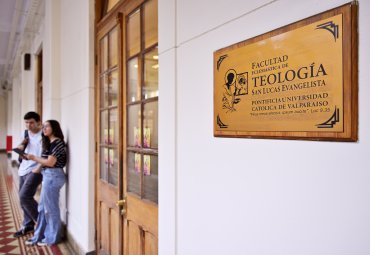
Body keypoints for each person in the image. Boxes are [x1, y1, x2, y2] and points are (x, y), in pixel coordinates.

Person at [24, 120, 67, 246]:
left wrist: (33, 157)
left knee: (51, 209)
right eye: (43, 127)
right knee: (42, 208)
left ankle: (52, 238)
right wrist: (36, 169)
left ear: (54, 127)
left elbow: (50, 162)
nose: (44, 128)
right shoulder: (49, 143)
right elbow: (44, 163)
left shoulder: (57, 142)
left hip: (54, 176)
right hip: (48, 175)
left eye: (46, 126)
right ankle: (39, 236)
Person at [13, 112, 43, 238]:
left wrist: (39, 167)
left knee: (24, 196)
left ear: (38, 122)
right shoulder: (25, 133)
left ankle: (43, 224)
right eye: (26, 122)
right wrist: (21, 149)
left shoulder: (43, 135)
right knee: (22, 200)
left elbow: (45, 154)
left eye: (31, 122)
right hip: (23, 169)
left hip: (36, 169)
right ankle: (28, 224)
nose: (28, 125)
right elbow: (25, 148)